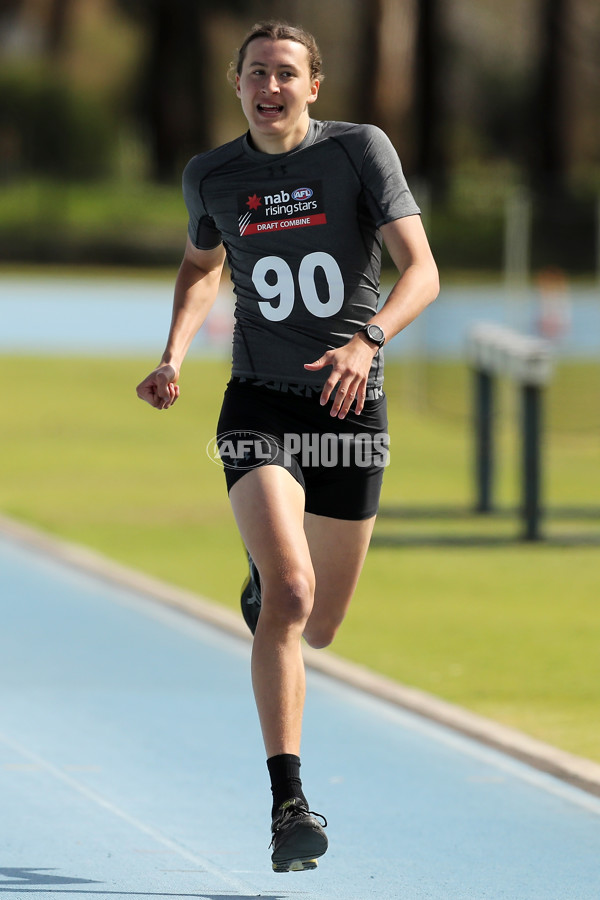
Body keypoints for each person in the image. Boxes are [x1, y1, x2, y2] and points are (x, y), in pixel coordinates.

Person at [136, 20, 439, 873]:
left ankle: (269, 588)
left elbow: (424, 270)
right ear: (237, 85)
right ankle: (289, 804)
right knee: (292, 595)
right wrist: (172, 356)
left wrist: (366, 339)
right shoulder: (212, 175)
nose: (270, 87)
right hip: (259, 402)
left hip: (350, 405)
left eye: (286, 74)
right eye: (256, 74)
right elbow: (203, 267)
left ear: (314, 87)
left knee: (325, 625)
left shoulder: (357, 153)